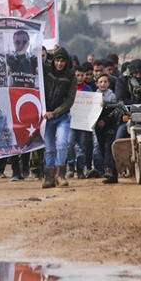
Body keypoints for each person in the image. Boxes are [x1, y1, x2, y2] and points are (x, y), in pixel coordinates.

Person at [41, 47, 77, 188]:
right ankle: (49, 177)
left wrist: (55, 112)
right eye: (57, 60)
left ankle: (60, 175)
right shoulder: (45, 70)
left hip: (62, 116)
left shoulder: (71, 76)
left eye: (62, 61)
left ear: (66, 62)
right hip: (46, 117)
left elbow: (69, 100)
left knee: (62, 144)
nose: (59, 64)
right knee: (49, 148)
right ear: (53, 60)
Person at [94, 74, 121, 184]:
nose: (103, 84)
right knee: (101, 147)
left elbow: (115, 111)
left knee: (109, 147)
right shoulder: (93, 96)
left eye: (105, 81)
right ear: (97, 84)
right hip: (98, 126)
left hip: (110, 125)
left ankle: (110, 170)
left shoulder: (112, 96)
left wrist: (105, 121)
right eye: (100, 82)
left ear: (109, 84)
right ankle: (111, 176)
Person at [66, 67, 92, 180]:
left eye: (82, 75)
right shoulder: (69, 88)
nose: (80, 78)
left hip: (83, 122)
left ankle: (80, 170)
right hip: (71, 121)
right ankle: (71, 167)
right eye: (78, 75)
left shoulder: (88, 89)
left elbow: (92, 105)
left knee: (82, 146)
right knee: (69, 144)